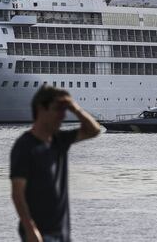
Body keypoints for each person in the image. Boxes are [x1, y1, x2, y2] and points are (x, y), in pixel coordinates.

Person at [10, 86, 101, 242]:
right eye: (57, 110)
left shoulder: (60, 141)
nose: (62, 116)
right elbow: (17, 193)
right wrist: (30, 229)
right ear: (41, 109)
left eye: (64, 110)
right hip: (40, 234)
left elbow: (94, 130)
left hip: (62, 235)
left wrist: (75, 108)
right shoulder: (25, 146)